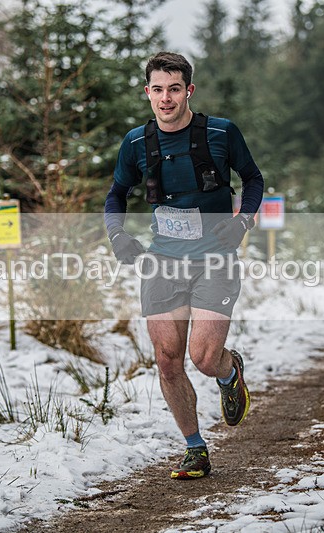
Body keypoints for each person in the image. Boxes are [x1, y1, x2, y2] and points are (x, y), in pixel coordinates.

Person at [104, 52, 265, 479]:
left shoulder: (221, 132)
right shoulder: (136, 143)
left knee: (204, 358)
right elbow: (117, 193)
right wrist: (117, 235)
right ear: (147, 93)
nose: (166, 98)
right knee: (167, 360)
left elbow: (253, 179)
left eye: (174, 89)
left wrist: (243, 221)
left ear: (188, 91)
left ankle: (229, 372)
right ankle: (195, 448)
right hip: (163, 261)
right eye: (158, 89)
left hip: (215, 259)